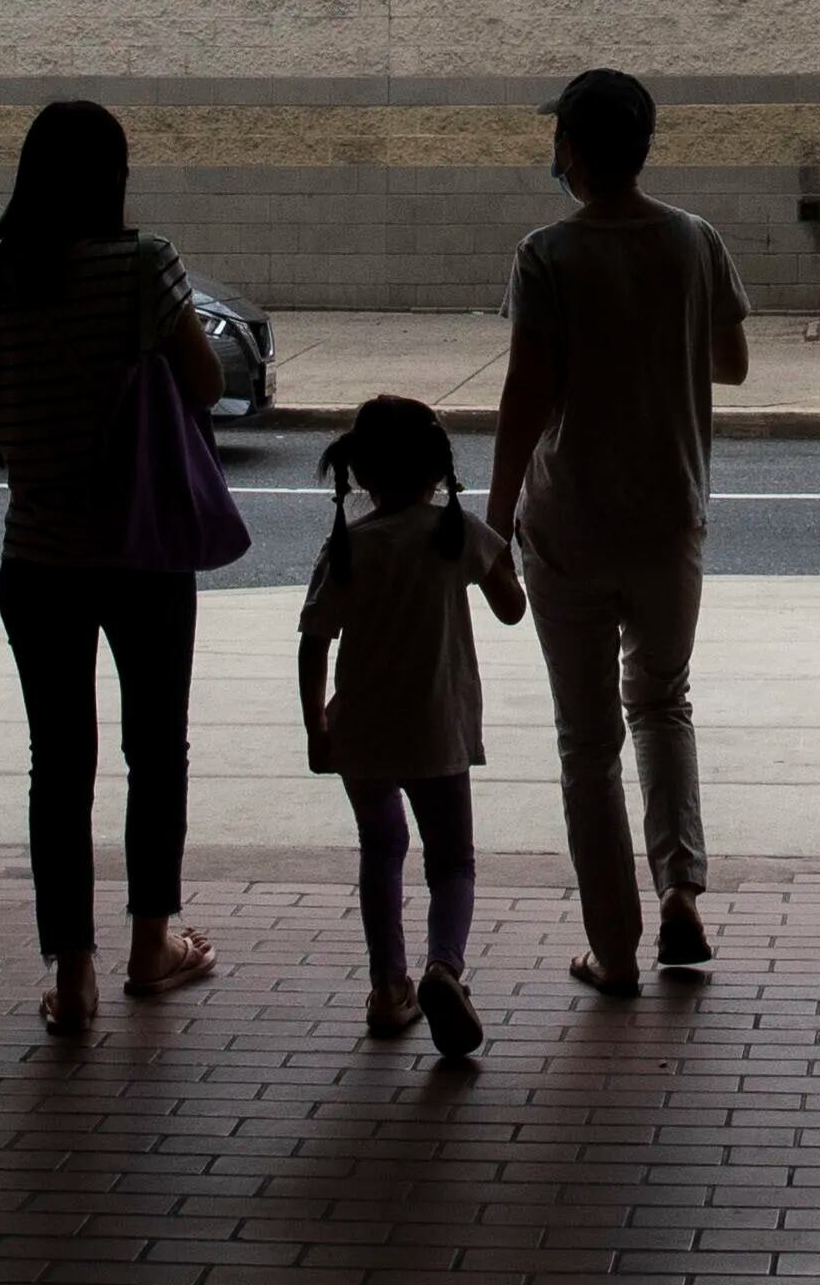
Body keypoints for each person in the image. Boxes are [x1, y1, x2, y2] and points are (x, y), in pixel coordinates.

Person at [0, 98, 221, 1035]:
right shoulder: (143, 263)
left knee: (57, 765)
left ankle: (73, 974)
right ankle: (154, 942)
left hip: (37, 557)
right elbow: (207, 383)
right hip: (142, 551)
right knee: (157, 749)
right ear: (111, 177)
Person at [486, 68, 749, 997]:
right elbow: (734, 362)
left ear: (574, 152)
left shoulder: (545, 254)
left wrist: (494, 516)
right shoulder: (693, 240)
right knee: (663, 702)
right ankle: (681, 889)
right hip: (669, 514)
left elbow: (526, 397)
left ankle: (616, 949)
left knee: (587, 741)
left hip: (569, 524)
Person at [299, 395, 525, 1061]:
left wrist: (316, 726)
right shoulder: (457, 534)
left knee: (381, 848)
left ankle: (387, 987)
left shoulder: (350, 544)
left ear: (361, 474)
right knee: (451, 861)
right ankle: (444, 969)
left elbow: (313, 641)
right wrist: (506, 553)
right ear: (439, 470)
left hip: (361, 733)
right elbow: (512, 609)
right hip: (437, 729)